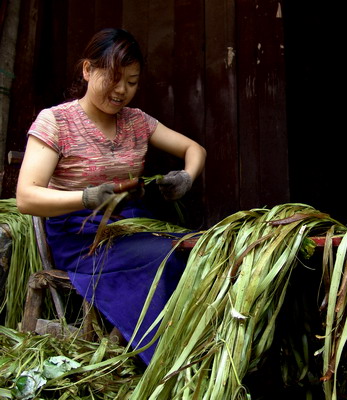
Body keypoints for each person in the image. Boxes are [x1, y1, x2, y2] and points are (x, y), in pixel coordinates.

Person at [15, 28, 206, 364]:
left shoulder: (137, 122)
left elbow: (194, 148)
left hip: (129, 227)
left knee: (200, 246)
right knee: (166, 255)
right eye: (114, 78)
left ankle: (205, 351)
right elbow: (27, 198)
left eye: (131, 82)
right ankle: (169, 360)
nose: (122, 91)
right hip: (81, 238)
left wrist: (187, 176)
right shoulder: (56, 121)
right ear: (88, 70)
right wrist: (86, 198)